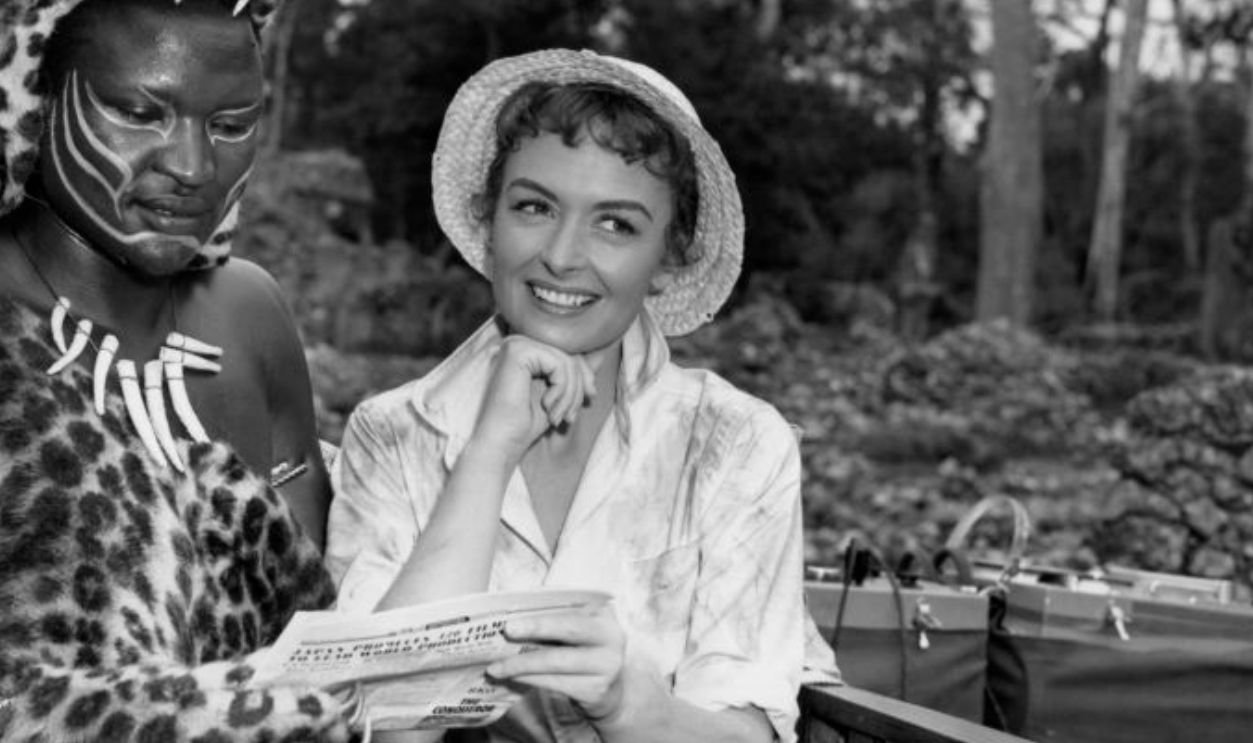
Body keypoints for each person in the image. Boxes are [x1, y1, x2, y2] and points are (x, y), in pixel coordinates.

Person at [327, 49, 824, 743]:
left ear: (666, 255)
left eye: (615, 224)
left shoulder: (734, 442)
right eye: (534, 206)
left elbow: (749, 733)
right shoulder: (394, 431)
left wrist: (628, 707)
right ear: (489, 218)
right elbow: (384, 723)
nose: (562, 255)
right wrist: (488, 453)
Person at [0, 1, 442, 739]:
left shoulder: (249, 314)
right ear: (32, 105)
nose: (192, 168)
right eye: (140, 112)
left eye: (231, 126)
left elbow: (319, 623)